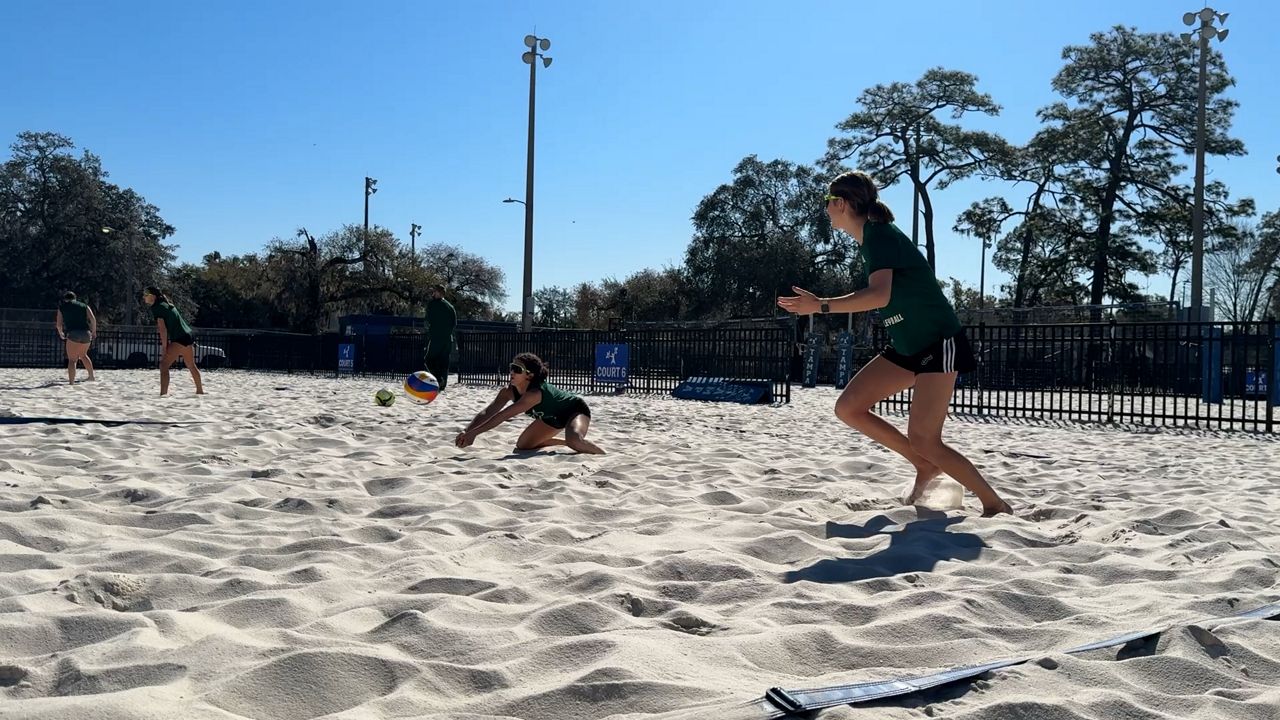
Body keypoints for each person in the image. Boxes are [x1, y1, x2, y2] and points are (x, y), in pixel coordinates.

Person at [777, 171, 1011, 517]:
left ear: (842, 203)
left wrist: (821, 305)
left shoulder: (879, 235)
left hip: (938, 342)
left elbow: (879, 295)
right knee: (849, 408)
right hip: (907, 346)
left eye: (827, 201)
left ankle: (995, 504)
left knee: (925, 438)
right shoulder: (871, 239)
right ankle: (924, 465)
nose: (825, 209)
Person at [455, 352, 604, 454]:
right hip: (552, 418)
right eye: (511, 367)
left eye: (517, 369)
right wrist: (467, 431)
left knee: (575, 441)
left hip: (574, 410)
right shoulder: (507, 391)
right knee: (523, 445)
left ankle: (602, 454)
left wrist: (474, 434)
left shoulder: (534, 394)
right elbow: (488, 412)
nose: (512, 372)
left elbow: (502, 416)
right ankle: (565, 442)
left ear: (530, 375)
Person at [142, 286, 204, 396]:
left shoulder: (157, 307)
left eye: (146, 295)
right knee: (191, 365)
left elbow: (163, 329)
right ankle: (200, 391)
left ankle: (163, 394)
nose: (144, 297)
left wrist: (164, 347)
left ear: (153, 296)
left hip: (180, 338)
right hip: (188, 335)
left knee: (163, 365)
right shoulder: (166, 304)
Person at [55, 291, 97, 385]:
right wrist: (94, 331)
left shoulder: (62, 307)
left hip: (73, 333)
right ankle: (91, 376)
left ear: (65, 299)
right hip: (86, 333)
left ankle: (71, 382)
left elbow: (59, 324)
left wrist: (61, 333)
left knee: (72, 359)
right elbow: (92, 319)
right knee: (83, 355)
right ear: (75, 298)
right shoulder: (84, 306)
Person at [425, 283, 457, 390]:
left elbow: (428, 321)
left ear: (439, 293)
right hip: (448, 339)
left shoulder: (432, 304)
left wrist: (430, 331)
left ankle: (438, 379)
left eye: (434, 291)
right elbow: (454, 324)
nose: (433, 293)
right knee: (444, 362)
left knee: (429, 360)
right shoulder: (450, 307)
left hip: (436, 337)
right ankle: (442, 384)